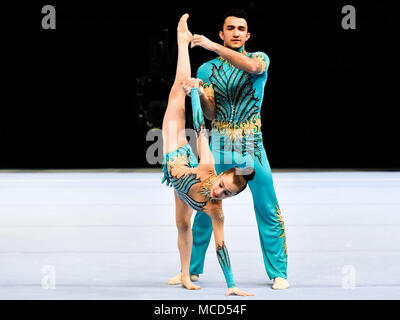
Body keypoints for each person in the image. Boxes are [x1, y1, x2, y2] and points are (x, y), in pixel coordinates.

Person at [168, 9, 289, 290]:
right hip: (220, 144)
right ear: (223, 32)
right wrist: (198, 93)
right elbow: (210, 113)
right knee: (204, 205)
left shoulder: (259, 58)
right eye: (230, 28)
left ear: (247, 35)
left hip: (250, 145)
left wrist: (212, 46)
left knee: (267, 207)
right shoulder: (206, 69)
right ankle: (192, 269)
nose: (236, 32)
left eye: (241, 29)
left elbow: (254, 70)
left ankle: (278, 271)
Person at [161, 13, 254, 296]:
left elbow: (221, 246)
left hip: (181, 190)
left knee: (182, 224)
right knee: (177, 90)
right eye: (222, 185)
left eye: (225, 194)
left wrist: (233, 285)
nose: (218, 192)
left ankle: (187, 276)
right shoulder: (208, 167)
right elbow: (200, 127)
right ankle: (181, 40)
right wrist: (194, 92)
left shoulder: (216, 211)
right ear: (221, 176)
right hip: (175, 155)